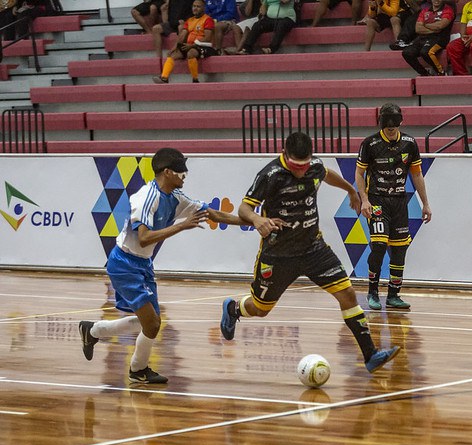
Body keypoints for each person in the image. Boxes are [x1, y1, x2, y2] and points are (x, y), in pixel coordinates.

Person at [218, 132, 401, 373]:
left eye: (305, 165)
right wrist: (256, 219)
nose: (302, 171)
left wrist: (351, 190)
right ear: (284, 155)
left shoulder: (314, 166)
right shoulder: (270, 174)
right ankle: (233, 308)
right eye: (296, 166)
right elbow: (244, 207)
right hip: (278, 255)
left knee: (347, 293)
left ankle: (371, 355)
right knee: (261, 310)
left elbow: (327, 174)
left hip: (314, 249)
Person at [79, 148, 247, 384]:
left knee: (149, 322)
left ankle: (93, 331)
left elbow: (212, 214)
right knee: (152, 323)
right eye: (181, 172)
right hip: (124, 263)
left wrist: (254, 221)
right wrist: (182, 226)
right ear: (167, 172)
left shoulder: (176, 197)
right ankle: (137, 370)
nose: (184, 175)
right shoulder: (146, 197)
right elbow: (144, 238)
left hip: (143, 264)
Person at [355, 103, 432, 310]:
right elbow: (359, 174)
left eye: (394, 124)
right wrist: (364, 200)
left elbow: (416, 174)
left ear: (400, 122)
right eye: (386, 124)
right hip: (377, 201)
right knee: (379, 246)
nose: (390, 128)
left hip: (399, 202)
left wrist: (425, 203)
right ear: (380, 122)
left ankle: (393, 295)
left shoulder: (409, 143)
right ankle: (372, 292)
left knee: (399, 250)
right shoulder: (369, 143)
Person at [153, 0, 216, 83]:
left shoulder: (208, 19)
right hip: (190, 45)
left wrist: (193, 45)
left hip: (204, 46)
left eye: (198, 6)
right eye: (194, 6)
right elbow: (182, 35)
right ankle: (164, 77)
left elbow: (207, 38)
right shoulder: (189, 20)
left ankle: (195, 79)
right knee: (173, 55)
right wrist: (175, 47)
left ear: (203, 8)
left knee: (191, 53)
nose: (195, 8)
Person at [400, 0, 453, 76]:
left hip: (439, 38)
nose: (436, 0)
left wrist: (425, 25)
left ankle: (441, 72)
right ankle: (424, 74)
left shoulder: (448, 10)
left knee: (425, 52)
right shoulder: (425, 10)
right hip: (423, 38)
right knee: (407, 53)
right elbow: (418, 29)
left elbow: (440, 25)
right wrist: (434, 29)